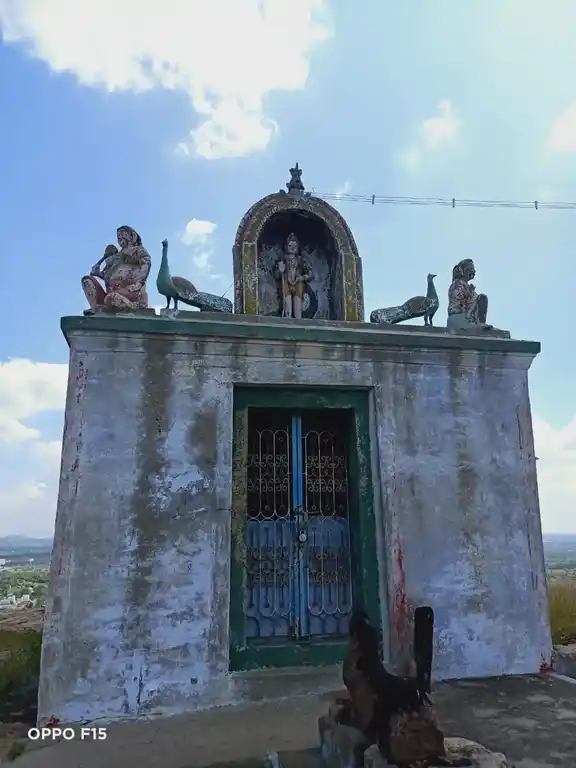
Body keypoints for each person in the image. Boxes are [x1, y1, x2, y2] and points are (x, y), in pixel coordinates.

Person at [81, 225, 151, 313]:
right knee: (87, 281)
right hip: (111, 296)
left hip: (131, 294)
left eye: (123, 233)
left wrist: (139, 283)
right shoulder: (116, 258)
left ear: (132, 236)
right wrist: (98, 274)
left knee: (111, 298)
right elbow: (109, 277)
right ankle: (97, 309)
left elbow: (146, 263)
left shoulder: (137, 250)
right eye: (118, 236)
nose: (119, 237)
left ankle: (132, 307)